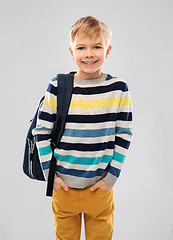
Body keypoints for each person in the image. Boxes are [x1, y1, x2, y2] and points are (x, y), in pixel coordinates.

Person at [33, 15, 132, 240]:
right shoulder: (58, 86)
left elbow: (124, 134)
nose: (89, 53)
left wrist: (110, 179)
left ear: (107, 51)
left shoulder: (118, 88)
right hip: (63, 187)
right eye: (81, 47)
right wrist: (52, 177)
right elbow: (41, 132)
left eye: (97, 46)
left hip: (99, 187)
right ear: (71, 52)